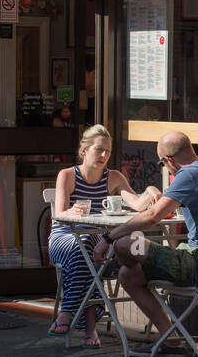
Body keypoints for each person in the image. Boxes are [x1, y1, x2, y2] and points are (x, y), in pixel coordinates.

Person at [97, 131, 198, 353]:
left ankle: (172, 335)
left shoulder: (188, 174)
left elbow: (153, 216)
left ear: (169, 160)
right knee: (127, 274)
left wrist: (108, 237)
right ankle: (171, 339)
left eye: (163, 164)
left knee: (124, 244)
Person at [47, 124, 157, 344]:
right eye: (99, 149)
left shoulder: (114, 177)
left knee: (89, 248)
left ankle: (67, 312)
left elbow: (136, 204)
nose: (104, 155)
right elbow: (59, 214)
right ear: (84, 151)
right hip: (63, 238)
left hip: (94, 242)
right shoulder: (67, 175)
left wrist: (150, 191)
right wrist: (71, 211)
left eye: (107, 150)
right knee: (88, 249)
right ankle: (89, 328)